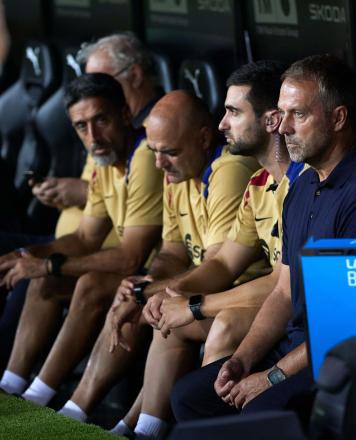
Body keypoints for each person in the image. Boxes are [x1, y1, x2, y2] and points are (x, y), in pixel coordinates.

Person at [170, 54, 356, 422]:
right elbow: (284, 290)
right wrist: (241, 360)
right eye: (281, 114)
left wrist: (272, 377)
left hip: (344, 358)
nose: (282, 128)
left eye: (298, 114)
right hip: (295, 346)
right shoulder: (302, 186)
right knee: (190, 397)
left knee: (260, 411)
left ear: (338, 118)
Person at [105, 60, 302, 439]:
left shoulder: (304, 183)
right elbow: (224, 263)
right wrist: (160, 293)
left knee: (215, 319)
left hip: (294, 321)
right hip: (267, 308)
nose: (222, 125)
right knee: (170, 313)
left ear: (271, 119)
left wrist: (193, 305)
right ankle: (144, 430)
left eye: (232, 112)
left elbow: (283, 284)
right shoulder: (259, 183)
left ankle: (209, 430)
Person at [0, 31, 160, 373]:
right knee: (25, 265)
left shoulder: (149, 145)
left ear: (121, 111)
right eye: (81, 127)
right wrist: (32, 258)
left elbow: (131, 253)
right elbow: (85, 236)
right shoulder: (105, 153)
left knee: (58, 276)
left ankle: (52, 400)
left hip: (146, 266)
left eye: (100, 120)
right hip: (94, 249)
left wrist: (45, 263)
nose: (92, 136)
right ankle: (12, 387)